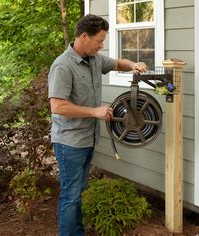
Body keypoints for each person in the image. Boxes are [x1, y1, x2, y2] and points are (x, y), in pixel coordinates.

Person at [48, 14, 147, 236]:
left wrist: (133, 64)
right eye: (99, 41)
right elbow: (58, 106)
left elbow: (118, 63)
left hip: (88, 139)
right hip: (69, 143)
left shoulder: (95, 59)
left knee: (79, 193)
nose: (102, 46)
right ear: (84, 36)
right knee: (70, 197)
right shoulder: (62, 66)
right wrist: (95, 111)